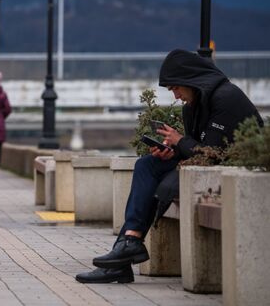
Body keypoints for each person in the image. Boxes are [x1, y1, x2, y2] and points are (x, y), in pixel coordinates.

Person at [75, 49, 263, 284]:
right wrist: (171, 151)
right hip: (203, 171)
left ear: (191, 80)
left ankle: (122, 259)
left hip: (235, 175)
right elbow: (197, 150)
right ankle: (128, 245)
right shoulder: (192, 106)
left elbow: (214, 155)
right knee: (147, 165)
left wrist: (180, 141)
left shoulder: (227, 98)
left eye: (176, 88)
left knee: (156, 180)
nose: (175, 96)